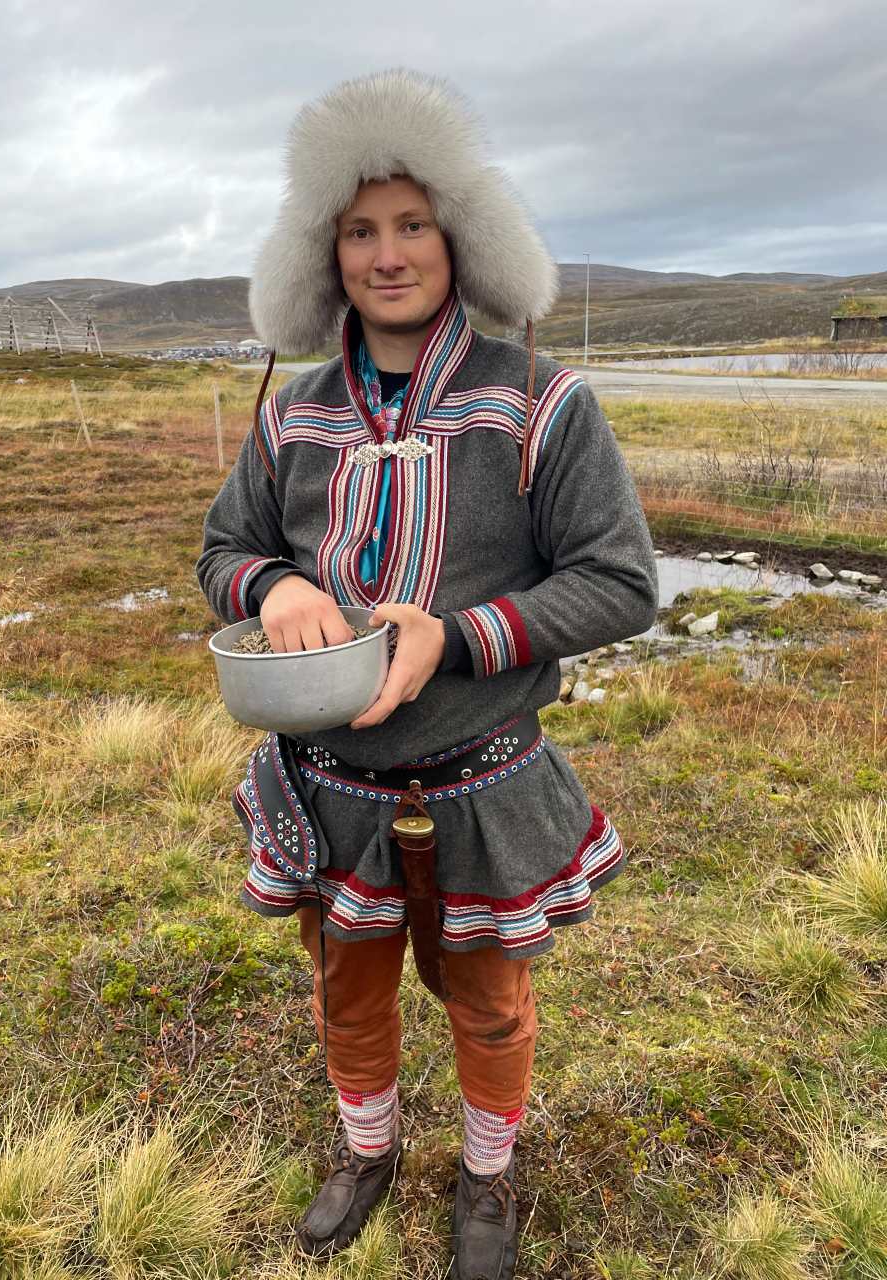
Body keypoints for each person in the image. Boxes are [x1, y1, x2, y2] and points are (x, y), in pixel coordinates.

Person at [197, 68, 658, 1280]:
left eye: (413, 223)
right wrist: (273, 587)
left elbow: (620, 582)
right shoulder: (293, 415)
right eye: (360, 229)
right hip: (330, 784)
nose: (387, 254)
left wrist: (452, 635)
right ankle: (369, 1151)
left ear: (462, 238)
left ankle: (487, 1174)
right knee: (347, 993)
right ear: (325, 251)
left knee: (490, 1002)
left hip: (484, 782)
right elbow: (224, 548)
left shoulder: (540, 403)